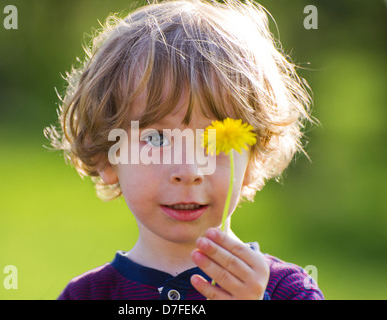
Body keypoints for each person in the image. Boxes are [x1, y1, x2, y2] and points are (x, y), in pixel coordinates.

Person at [45, 0, 324, 300]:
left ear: (253, 159)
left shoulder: (289, 290)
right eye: (156, 139)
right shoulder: (87, 295)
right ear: (108, 157)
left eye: (214, 141)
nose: (189, 171)